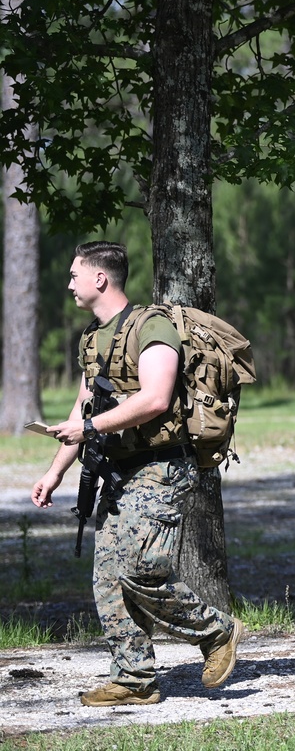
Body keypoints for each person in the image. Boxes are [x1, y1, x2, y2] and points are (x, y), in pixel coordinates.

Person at [31, 241, 244, 706]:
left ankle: (217, 631)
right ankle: (134, 678)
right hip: (121, 470)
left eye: (74, 275)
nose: (68, 283)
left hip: (162, 465)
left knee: (140, 568)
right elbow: (85, 406)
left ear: (100, 279)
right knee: (107, 575)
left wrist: (87, 426)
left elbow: (155, 399)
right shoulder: (92, 337)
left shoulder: (152, 328)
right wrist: (55, 472)